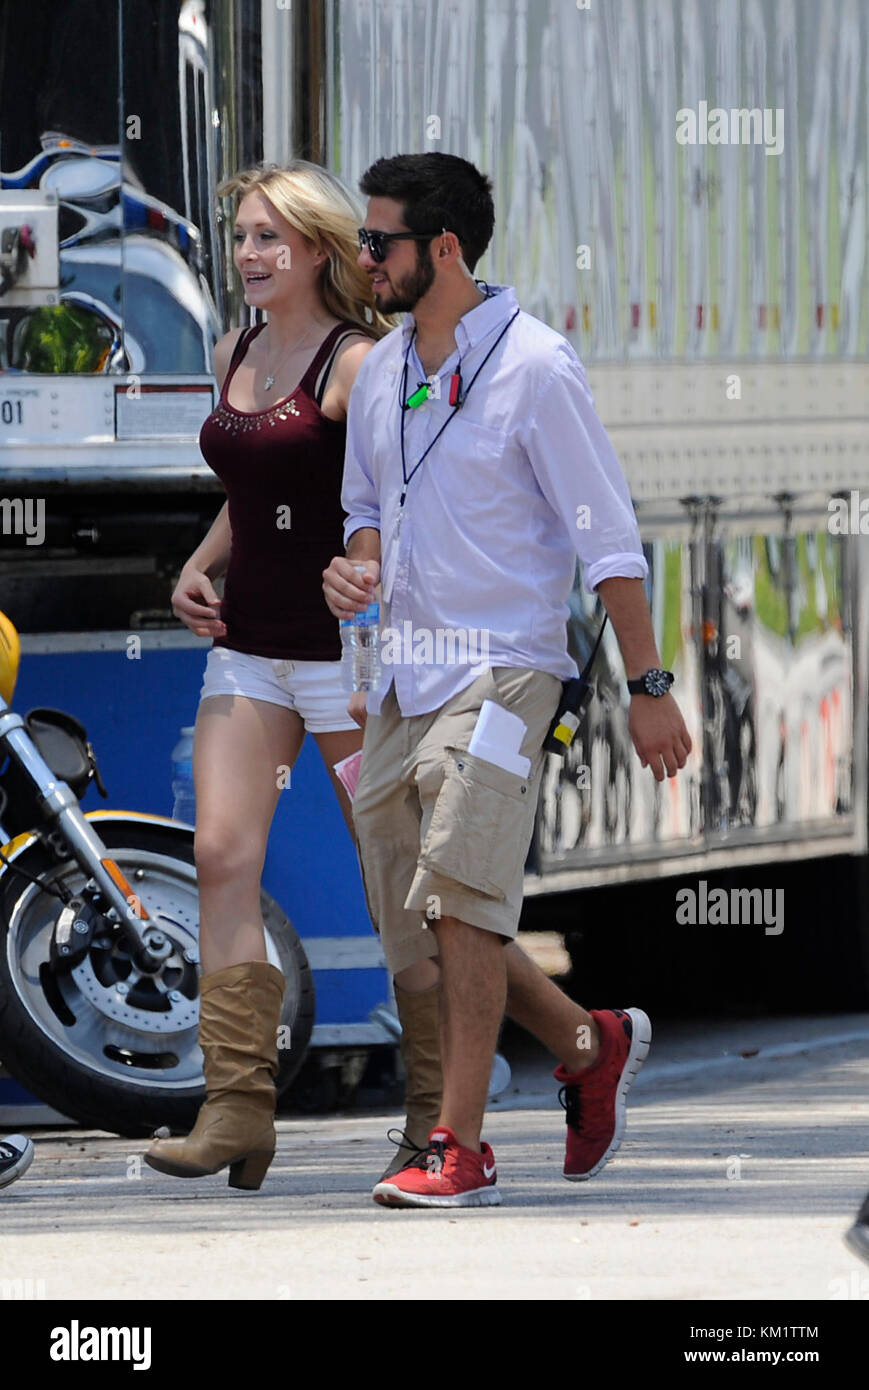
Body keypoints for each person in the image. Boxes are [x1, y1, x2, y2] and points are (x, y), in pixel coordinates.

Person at [324, 152, 692, 1208]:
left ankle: (461, 1144)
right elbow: (364, 505)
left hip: (506, 670)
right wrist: (356, 571)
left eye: (379, 241)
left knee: (465, 894)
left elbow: (606, 539)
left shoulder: (536, 366)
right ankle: (589, 1041)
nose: (363, 258)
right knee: (425, 921)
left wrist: (647, 681)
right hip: (403, 678)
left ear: (442, 248)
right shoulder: (385, 368)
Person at [145, 161, 392, 1189]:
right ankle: (237, 1107)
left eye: (269, 238)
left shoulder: (358, 362)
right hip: (249, 648)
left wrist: (369, 568)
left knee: (398, 876)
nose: (248, 253)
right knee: (217, 854)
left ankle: (444, 1110)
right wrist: (201, 564)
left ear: (319, 251)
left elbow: (407, 494)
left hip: (342, 663)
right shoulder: (234, 347)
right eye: (241, 235)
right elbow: (250, 490)